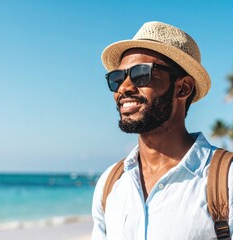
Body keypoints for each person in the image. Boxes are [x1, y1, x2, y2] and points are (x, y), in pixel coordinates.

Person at [91, 21, 233, 240]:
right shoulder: (110, 184)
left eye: (141, 74)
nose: (124, 88)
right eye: (117, 78)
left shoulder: (226, 180)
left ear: (183, 87)